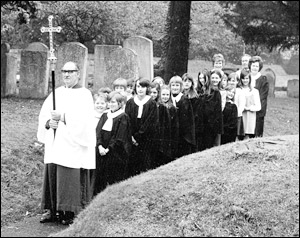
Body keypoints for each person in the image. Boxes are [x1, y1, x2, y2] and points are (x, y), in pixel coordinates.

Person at [37, 61, 96, 225]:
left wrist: (63, 117)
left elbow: (85, 120)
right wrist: (49, 123)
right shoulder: (57, 93)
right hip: (56, 142)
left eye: (71, 71)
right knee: (52, 172)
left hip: (72, 143)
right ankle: (52, 209)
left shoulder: (84, 94)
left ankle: (69, 211)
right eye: (64, 72)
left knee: (68, 176)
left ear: (78, 73)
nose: (67, 75)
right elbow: (44, 115)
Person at [93, 91, 132, 196]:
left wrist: (108, 149)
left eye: (114, 102)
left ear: (120, 104)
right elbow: (98, 132)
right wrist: (100, 146)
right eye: (109, 102)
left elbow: (120, 137)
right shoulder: (105, 115)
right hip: (101, 152)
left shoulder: (123, 117)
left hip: (115, 154)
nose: (111, 104)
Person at [125, 78, 159, 176]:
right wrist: (131, 136)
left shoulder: (151, 103)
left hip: (146, 139)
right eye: (138, 86)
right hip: (131, 138)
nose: (140, 89)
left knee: (145, 165)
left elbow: (150, 122)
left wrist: (138, 136)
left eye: (143, 87)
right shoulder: (130, 102)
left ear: (147, 88)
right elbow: (127, 120)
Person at [196, 69, 223, 151]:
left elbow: (217, 111)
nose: (202, 80)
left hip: (210, 126)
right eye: (200, 78)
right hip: (200, 125)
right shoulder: (198, 91)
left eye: (203, 78)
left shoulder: (215, 92)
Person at [169, 75, 196, 158]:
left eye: (177, 85)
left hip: (183, 136)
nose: (175, 87)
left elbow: (186, 122)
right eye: (173, 85)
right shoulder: (169, 99)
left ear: (181, 87)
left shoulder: (184, 100)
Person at [249, 56, 269, 137]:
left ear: (259, 67)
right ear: (250, 66)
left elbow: (263, 95)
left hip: (258, 110)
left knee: (257, 133)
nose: (254, 68)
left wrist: (255, 105)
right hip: (247, 108)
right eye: (253, 65)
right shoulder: (246, 78)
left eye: (256, 66)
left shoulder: (263, 80)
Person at [240, 69, 261, 139]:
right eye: (243, 78)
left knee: (247, 135)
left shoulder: (254, 91)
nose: (245, 80)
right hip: (241, 115)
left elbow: (258, 106)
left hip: (250, 116)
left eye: (247, 78)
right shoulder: (239, 90)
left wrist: (249, 108)